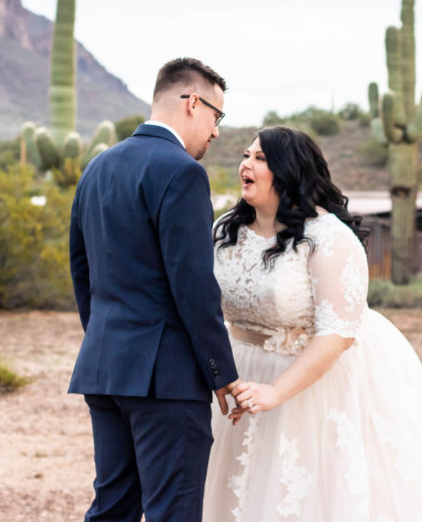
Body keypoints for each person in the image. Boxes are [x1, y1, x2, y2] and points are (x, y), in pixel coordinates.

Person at [203, 127, 422, 521]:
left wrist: (275, 392)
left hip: (312, 384)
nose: (246, 164)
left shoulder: (328, 238)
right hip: (238, 377)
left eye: (261, 158)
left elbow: (337, 334)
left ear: (290, 171)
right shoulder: (226, 230)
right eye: (246, 155)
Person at [68, 57, 241, 522]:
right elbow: (194, 287)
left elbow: (82, 271)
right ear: (191, 103)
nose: (217, 131)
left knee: (112, 510)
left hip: (105, 369)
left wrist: (110, 340)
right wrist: (220, 373)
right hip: (165, 381)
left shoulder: (97, 169)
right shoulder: (181, 172)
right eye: (216, 116)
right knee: (174, 511)